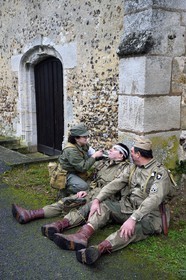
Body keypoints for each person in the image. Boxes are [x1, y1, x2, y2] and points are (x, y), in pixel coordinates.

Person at [52, 136, 176, 265]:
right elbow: (115, 184)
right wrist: (97, 199)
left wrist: (133, 219)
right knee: (104, 206)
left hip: (150, 216)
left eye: (132, 152)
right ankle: (81, 236)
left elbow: (154, 199)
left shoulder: (160, 173)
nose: (130, 154)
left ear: (139, 154)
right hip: (129, 207)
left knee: (129, 230)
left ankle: (98, 249)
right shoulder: (133, 167)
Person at [12, 142, 130, 241]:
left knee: (83, 210)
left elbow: (115, 189)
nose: (110, 149)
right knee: (67, 201)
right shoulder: (104, 163)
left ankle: (58, 225)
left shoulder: (125, 169)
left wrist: (98, 199)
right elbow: (93, 180)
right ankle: (31, 214)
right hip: (92, 192)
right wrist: (85, 190)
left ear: (121, 155)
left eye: (114, 149)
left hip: (105, 198)